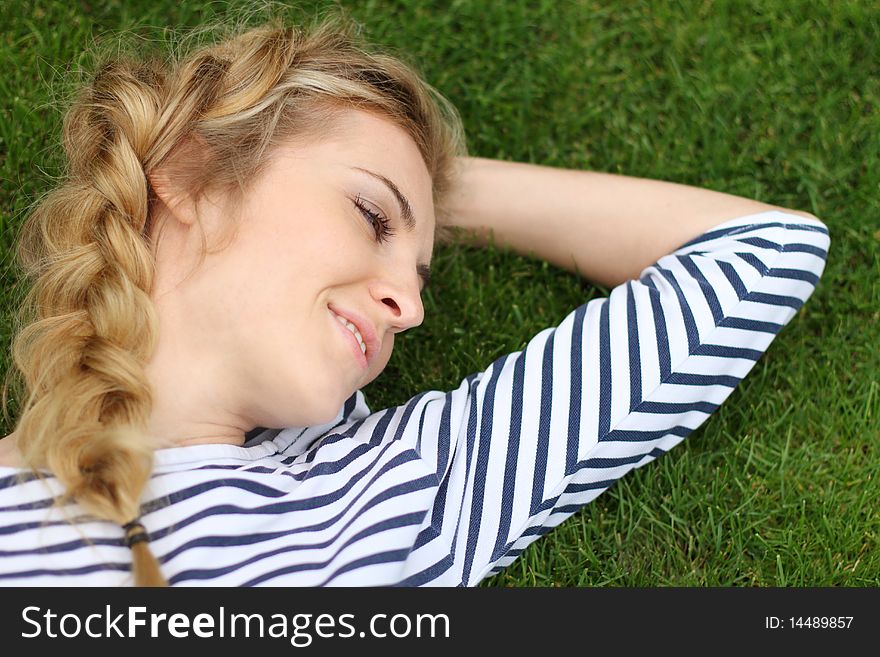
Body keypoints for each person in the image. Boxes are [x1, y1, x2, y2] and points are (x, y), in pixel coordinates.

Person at [0, 16, 829, 587]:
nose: (412, 307)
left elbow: (762, 255)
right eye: (367, 215)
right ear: (188, 174)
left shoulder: (391, 491)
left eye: (422, 274)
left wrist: (432, 189)